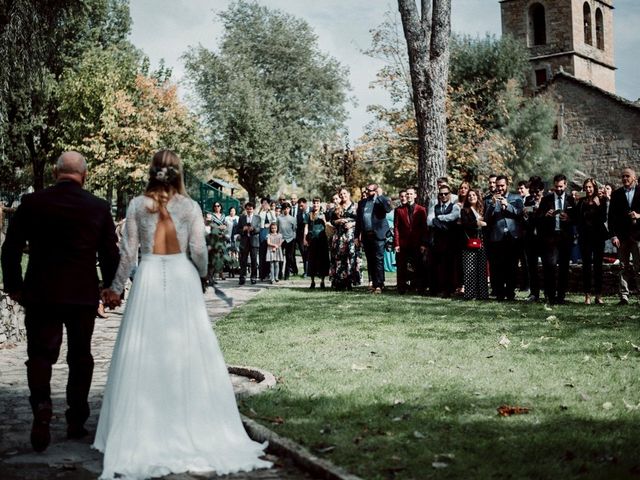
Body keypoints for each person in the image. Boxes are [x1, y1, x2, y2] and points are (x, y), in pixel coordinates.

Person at [96, 150, 270, 479]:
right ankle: (190, 418)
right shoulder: (189, 207)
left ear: (152, 172)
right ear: (179, 173)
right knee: (187, 349)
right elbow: (199, 251)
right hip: (181, 278)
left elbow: (128, 252)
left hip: (147, 277)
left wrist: (117, 287)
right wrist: (202, 275)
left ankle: (141, 426)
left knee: (145, 350)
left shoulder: (136, 205)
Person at [0, 151, 120, 452]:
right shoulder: (98, 207)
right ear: (85, 175)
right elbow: (109, 252)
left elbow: (10, 247)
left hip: (41, 292)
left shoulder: (33, 203)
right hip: (81, 294)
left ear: (55, 173)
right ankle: (76, 417)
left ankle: (41, 405)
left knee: (40, 355)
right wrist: (110, 287)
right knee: (81, 356)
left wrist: (14, 285)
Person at [536, 174, 576, 305]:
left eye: (561, 186)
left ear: (565, 185)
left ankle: (561, 296)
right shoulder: (546, 200)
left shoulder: (571, 200)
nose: (559, 189)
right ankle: (550, 296)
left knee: (564, 267)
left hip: (565, 238)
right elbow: (538, 218)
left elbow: (577, 218)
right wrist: (546, 215)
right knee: (550, 267)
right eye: (556, 186)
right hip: (550, 238)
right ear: (554, 185)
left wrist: (569, 218)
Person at [484, 175, 524, 301]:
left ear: (507, 185)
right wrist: (492, 204)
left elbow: (521, 213)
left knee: (512, 266)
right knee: (498, 267)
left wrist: (509, 206)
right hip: (497, 237)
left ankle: (510, 292)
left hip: (513, 236)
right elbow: (486, 219)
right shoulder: (489, 200)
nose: (500, 188)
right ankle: (500, 293)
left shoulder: (516, 198)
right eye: (498, 185)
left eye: (502, 185)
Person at [608, 167, 640, 305]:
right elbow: (611, 218)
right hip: (622, 237)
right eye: (623, 177)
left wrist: (639, 216)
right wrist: (613, 236)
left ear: (634, 178)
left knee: (639, 267)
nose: (625, 179)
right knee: (623, 267)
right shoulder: (616, 194)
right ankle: (624, 296)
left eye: (627, 176)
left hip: (638, 236)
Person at [575, 178, 608, 304]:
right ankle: (587, 295)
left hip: (598, 237)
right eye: (586, 187)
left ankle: (598, 295)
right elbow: (577, 218)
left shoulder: (601, 200)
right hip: (585, 238)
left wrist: (598, 204)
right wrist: (576, 202)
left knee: (598, 267)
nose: (588, 189)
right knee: (586, 267)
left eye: (590, 187)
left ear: (594, 188)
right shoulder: (582, 202)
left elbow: (604, 217)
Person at [355, 183, 392, 294]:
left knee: (378, 259)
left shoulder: (380, 201)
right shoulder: (362, 203)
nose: (367, 192)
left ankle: (379, 284)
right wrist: (356, 236)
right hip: (367, 235)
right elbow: (358, 221)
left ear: (376, 191)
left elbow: (388, 209)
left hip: (379, 234)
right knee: (370, 260)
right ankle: (373, 282)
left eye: (370, 190)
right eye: (367, 190)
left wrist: (380, 196)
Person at [394, 187, 428, 294]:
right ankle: (401, 288)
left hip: (417, 243)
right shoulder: (399, 210)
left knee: (419, 265)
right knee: (401, 266)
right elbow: (396, 228)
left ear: (415, 195)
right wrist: (396, 244)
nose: (408, 196)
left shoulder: (421, 209)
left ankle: (420, 288)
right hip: (403, 243)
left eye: (410, 194)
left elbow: (424, 228)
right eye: (407, 194)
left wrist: (423, 243)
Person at [429, 184, 461, 297]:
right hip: (438, 241)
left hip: (451, 241)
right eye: (441, 194)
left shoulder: (455, 207)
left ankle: (450, 289)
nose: (443, 196)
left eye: (446, 194)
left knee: (451, 266)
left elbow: (454, 219)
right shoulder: (435, 207)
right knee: (439, 266)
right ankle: (439, 289)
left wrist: (439, 221)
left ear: (450, 194)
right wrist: (441, 224)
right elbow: (430, 221)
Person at [460, 190, 489, 300]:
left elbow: (489, 222)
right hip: (470, 241)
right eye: (469, 196)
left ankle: (483, 295)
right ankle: (470, 295)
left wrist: (484, 223)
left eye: (474, 195)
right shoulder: (465, 210)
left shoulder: (483, 209)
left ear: (478, 196)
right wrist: (477, 223)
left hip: (483, 240)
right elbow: (465, 224)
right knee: (469, 268)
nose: (472, 197)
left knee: (482, 269)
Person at [331, 187, 361, 290]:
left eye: (345, 193)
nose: (343, 196)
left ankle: (351, 281)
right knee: (340, 258)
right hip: (340, 237)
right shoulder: (337, 207)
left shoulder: (356, 206)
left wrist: (352, 224)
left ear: (348, 194)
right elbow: (331, 221)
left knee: (351, 257)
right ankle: (340, 281)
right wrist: (337, 222)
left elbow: (360, 221)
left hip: (352, 236)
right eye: (341, 194)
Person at [522, 176, 545, 302]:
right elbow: (525, 219)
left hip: (544, 237)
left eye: (537, 192)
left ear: (542, 190)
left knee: (548, 266)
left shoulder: (547, 200)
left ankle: (548, 292)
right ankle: (534, 293)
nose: (534, 194)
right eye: (532, 192)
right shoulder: (528, 201)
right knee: (532, 266)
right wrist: (525, 215)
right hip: (531, 238)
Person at [304, 197, 329, 289]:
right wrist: (304, 239)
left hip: (322, 239)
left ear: (320, 204)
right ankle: (312, 281)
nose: (316, 205)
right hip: (312, 240)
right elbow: (306, 227)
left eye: (318, 203)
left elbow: (328, 226)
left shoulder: (324, 214)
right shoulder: (308, 215)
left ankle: (322, 281)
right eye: (314, 203)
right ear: (312, 204)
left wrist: (324, 220)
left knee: (322, 260)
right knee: (312, 260)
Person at [235, 202, 262, 285]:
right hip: (244, 241)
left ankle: (253, 277)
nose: (249, 210)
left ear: (253, 209)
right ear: (245, 209)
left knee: (254, 260)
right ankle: (242, 277)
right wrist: (243, 229)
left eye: (250, 209)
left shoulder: (258, 218)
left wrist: (253, 229)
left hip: (254, 241)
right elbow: (238, 229)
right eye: (247, 209)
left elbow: (259, 229)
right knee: (243, 260)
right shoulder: (242, 217)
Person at [206, 202, 227, 283]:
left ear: (220, 207)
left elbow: (225, 226)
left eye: (218, 206)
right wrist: (219, 227)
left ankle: (219, 273)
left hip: (222, 237)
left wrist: (223, 228)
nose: (216, 207)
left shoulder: (223, 215)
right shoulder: (211, 215)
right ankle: (210, 277)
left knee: (221, 256)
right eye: (215, 206)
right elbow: (210, 225)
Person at [277, 202, 296, 280]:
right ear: (282, 209)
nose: (286, 210)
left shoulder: (293, 219)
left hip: (290, 239)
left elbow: (294, 229)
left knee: (289, 257)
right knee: (280, 258)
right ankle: (279, 274)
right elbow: (277, 228)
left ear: (290, 209)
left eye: (287, 208)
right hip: (281, 239)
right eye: (284, 208)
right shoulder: (279, 218)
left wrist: (293, 238)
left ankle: (287, 275)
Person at [224, 206, 240, 277]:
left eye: (233, 211)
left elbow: (239, 227)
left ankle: (235, 268)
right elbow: (224, 227)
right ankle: (230, 270)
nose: (232, 212)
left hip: (236, 238)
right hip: (228, 237)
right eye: (231, 211)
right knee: (229, 254)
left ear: (235, 211)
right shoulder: (226, 218)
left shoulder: (238, 218)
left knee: (236, 254)